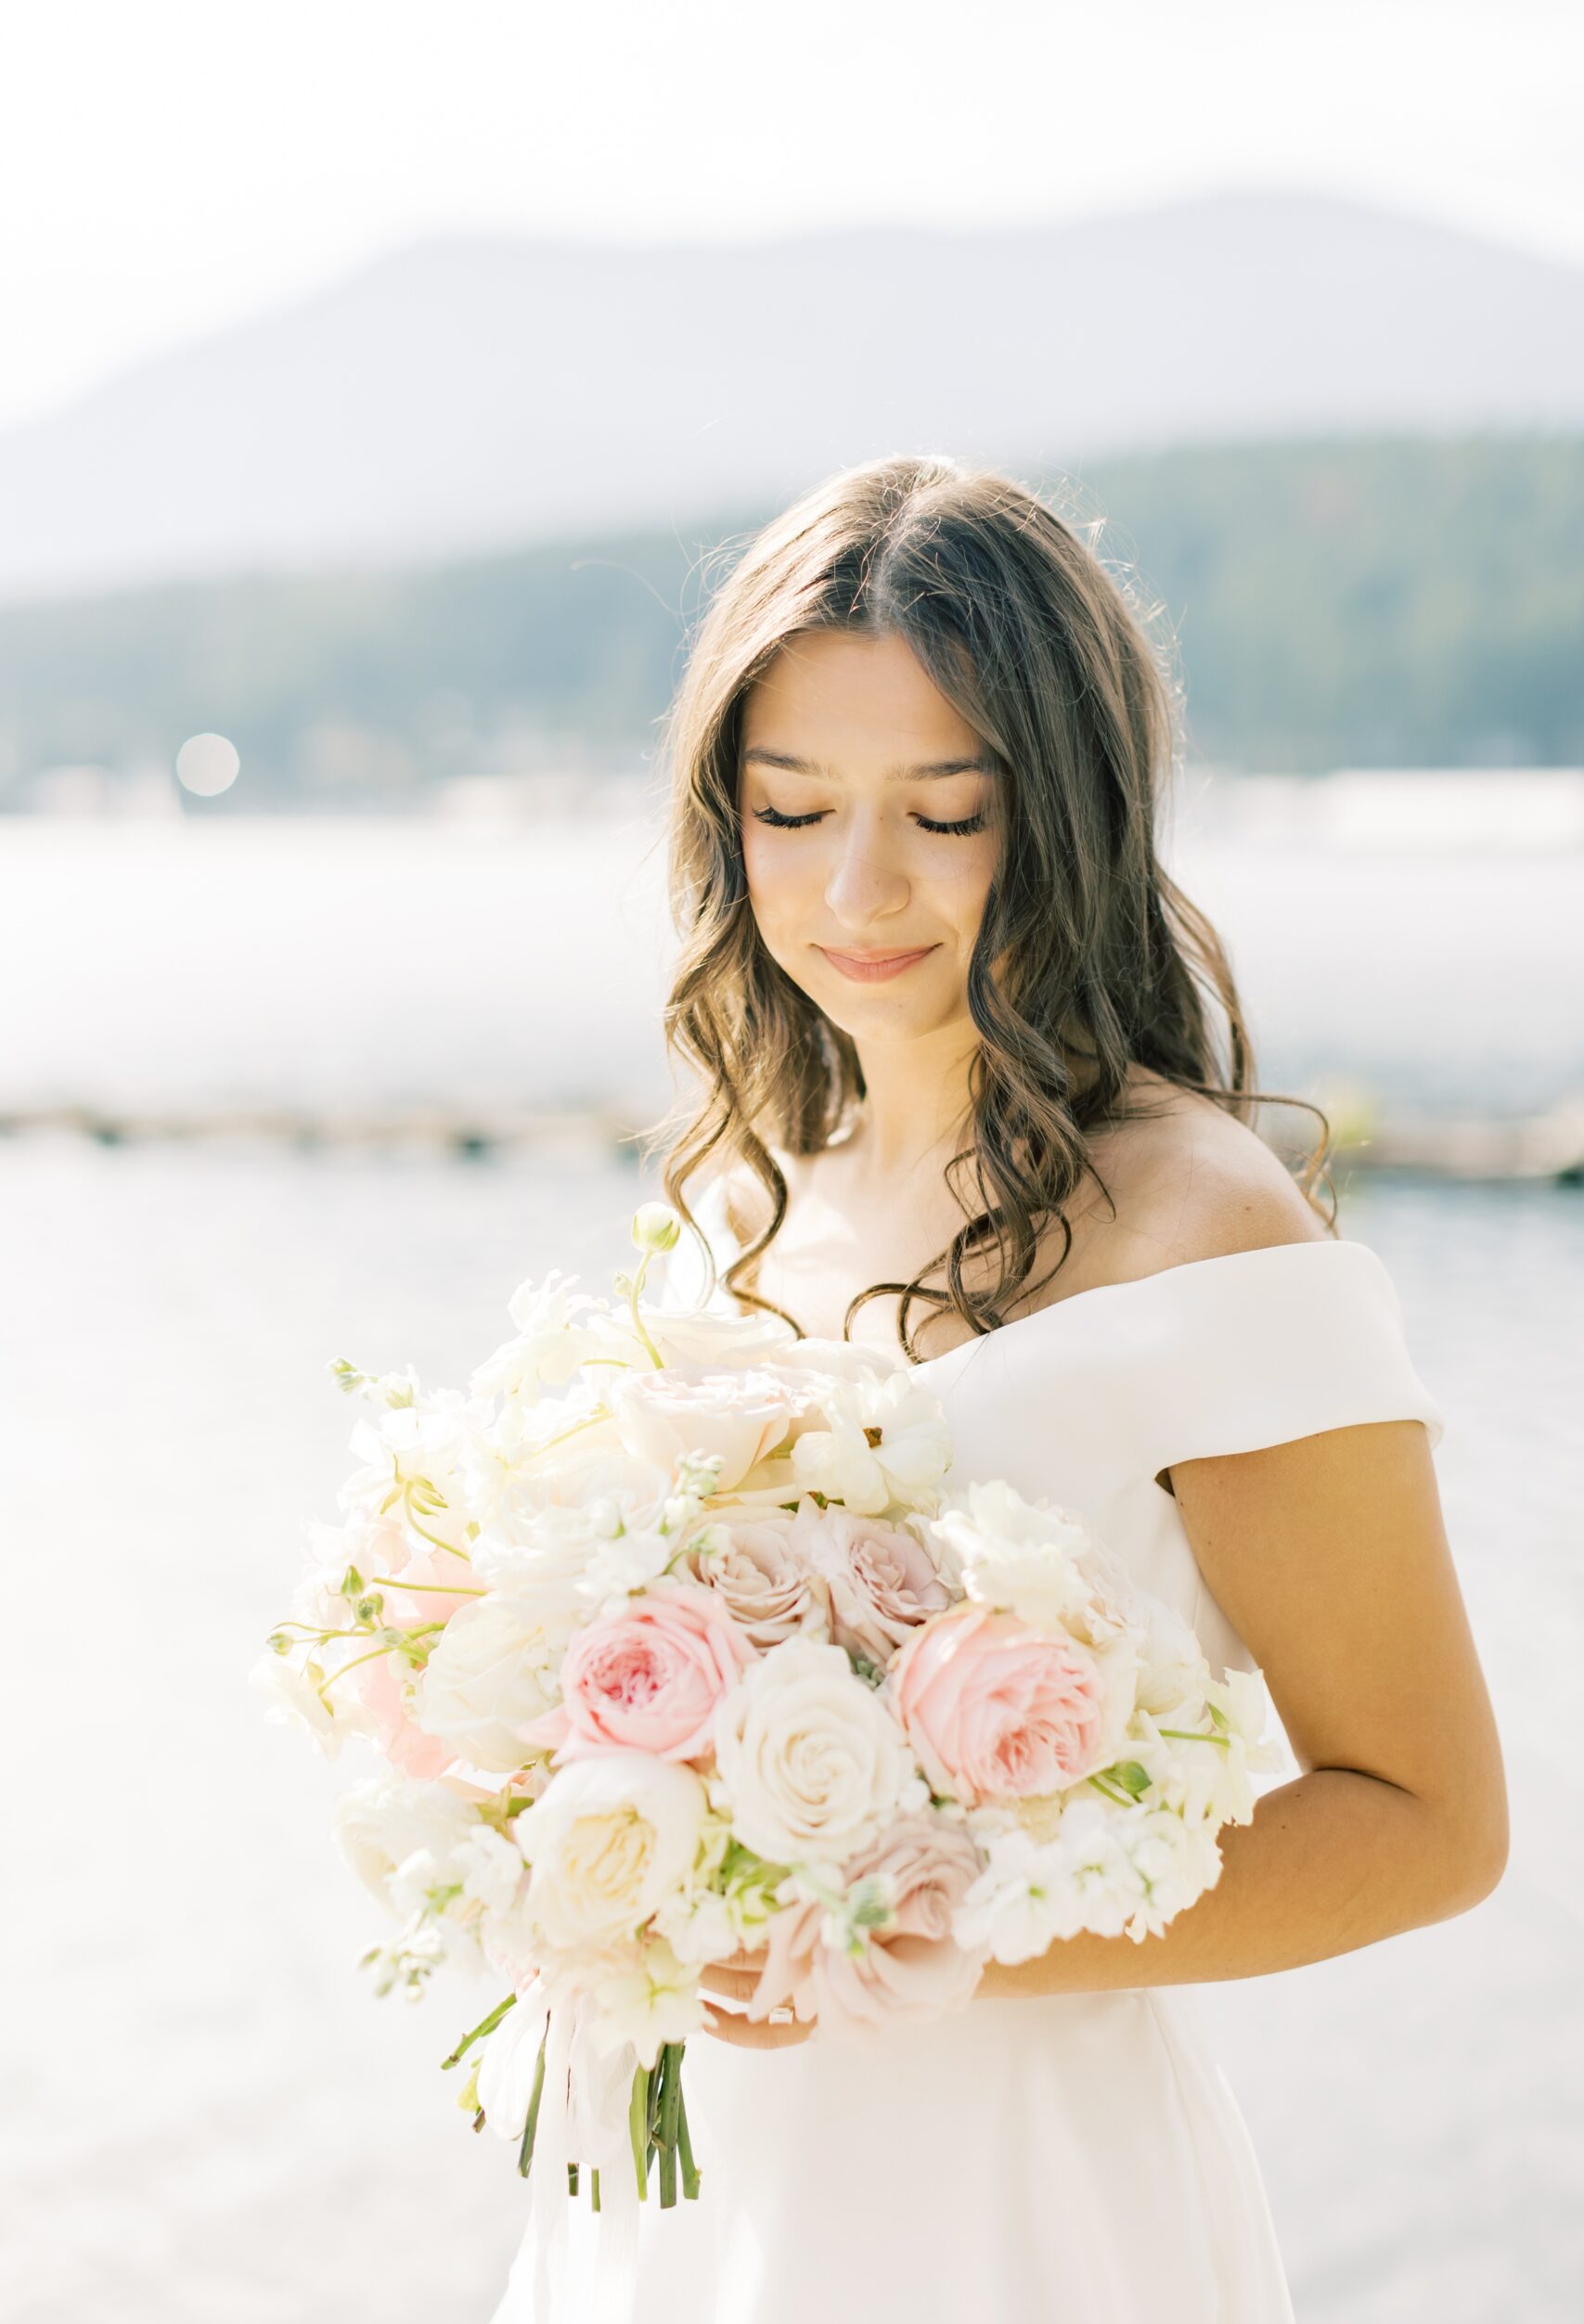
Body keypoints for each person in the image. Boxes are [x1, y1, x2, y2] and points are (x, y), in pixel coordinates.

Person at [492, 454, 1508, 2322]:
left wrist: (940, 1931)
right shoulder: (736, 1187)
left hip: (1002, 2208)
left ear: (1067, 813)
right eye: (788, 809)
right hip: (690, 2182)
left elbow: (1428, 1816)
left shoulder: (1206, 1230)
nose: (853, 887)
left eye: (939, 813)